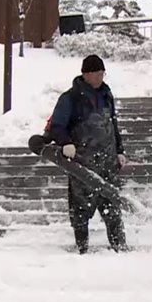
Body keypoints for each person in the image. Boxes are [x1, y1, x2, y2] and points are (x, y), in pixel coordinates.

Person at [45, 54, 129, 254]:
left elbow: (113, 125)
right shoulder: (71, 98)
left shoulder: (107, 95)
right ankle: (82, 249)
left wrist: (119, 151)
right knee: (81, 210)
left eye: (102, 73)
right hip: (82, 164)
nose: (101, 77)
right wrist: (65, 143)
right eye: (97, 73)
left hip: (108, 163)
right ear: (86, 74)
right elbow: (57, 126)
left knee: (113, 208)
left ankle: (119, 247)